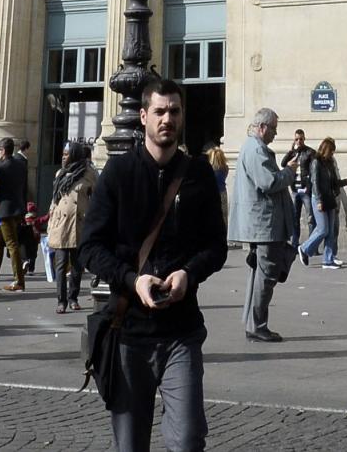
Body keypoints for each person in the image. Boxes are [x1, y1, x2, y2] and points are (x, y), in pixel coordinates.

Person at [83, 77, 229, 452]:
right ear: (144, 116)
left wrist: (188, 274)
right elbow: (90, 247)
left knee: (188, 439)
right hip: (128, 332)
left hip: (182, 332)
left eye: (175, 111)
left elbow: (216, 246)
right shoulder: (118, 174)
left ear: (182, 117)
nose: (167, 119)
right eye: (160, 111)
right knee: (130, 446)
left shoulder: (198, 175)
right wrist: (133, 281)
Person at [228, 108, 294, 344]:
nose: (276, 133)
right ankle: (258, 325)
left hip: (262, 223)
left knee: (259, 274)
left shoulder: (251, 147)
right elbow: (268, 182)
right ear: (262, 127)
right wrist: (289, 172)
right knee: (266, 275)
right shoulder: (255, 149)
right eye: (274, 128)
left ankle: (252, 323)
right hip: (264, 224)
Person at [46, 139, 94, 313]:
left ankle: (73, 297)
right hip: (61, 223)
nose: (64, 157)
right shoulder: (60, 173)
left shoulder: (88, 174)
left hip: (79, 223)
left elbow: (95, 197)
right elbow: (54, 198)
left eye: (67, 154)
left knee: (77, 265)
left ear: (74, 155)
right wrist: (51, 218)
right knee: (60, 264)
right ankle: (61, 301)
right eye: (63, 154)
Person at [0, 136, 31, 293]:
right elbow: (25, 189)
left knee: (10, 243)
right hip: (14, 210)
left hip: (2, 213)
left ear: (3, 150)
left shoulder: (1, 168)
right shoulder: (21, 165)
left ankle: (18, 280)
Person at [306, 137, 347, 267]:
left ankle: (328, 259)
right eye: (331, 151)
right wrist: (319, 200)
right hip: (319, 198)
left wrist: (346, 182)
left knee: (331, 231)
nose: (332, 154)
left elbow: (333, 182)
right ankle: (304, 248)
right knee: (322, 229)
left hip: (330, 197)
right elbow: (315, 183)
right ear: (325, 149)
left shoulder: (330, 163)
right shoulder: (316, 162)